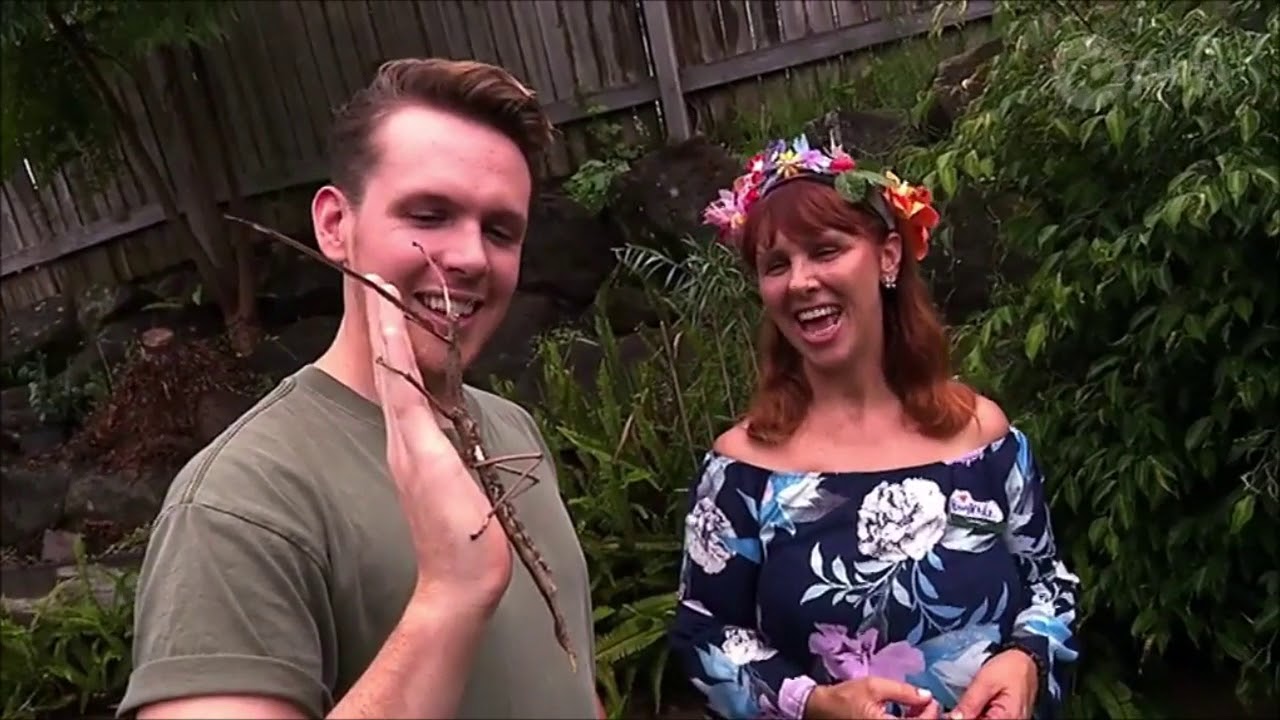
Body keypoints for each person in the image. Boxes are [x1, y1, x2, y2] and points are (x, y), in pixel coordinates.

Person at [116, 58, 604, 719]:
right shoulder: (237, 504)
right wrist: (448, 597)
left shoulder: (514, 429)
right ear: (333, 226)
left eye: (499, 231)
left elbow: (562, 683)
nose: (468, 257)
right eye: (428, 214)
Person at [668, 136, 1081, 720]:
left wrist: (1026, 660)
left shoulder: (983, 438)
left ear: (888, 257)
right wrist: (812, 703)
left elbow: (1048, 585)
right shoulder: (743, 472)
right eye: (776, 265)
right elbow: (704, 634)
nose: (801, 281)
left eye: (825, 250)